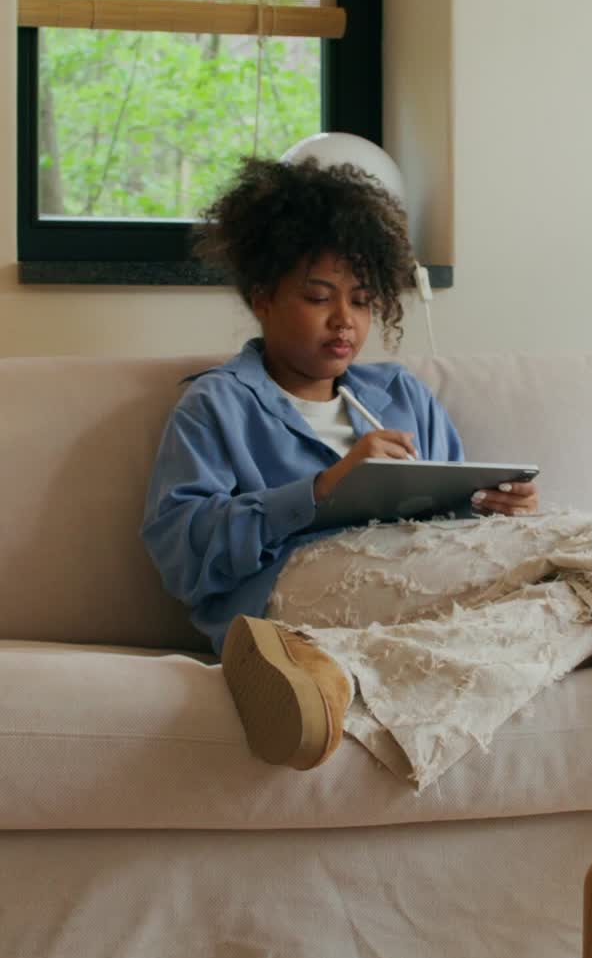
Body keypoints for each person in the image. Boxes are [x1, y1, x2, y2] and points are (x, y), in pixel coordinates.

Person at [142, 157, 540, 776]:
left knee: (568, 575)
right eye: (318, 298)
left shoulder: (401, 396)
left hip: (414, 589)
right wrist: (320, 490)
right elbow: (182, 554)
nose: (345, 322)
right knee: (580, 565)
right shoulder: (215, 405)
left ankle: (335, 675)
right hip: (287, 596)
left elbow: (461, 532)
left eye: (361, 301)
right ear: (263, 297)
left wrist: (492, 507)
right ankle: (293, 662)